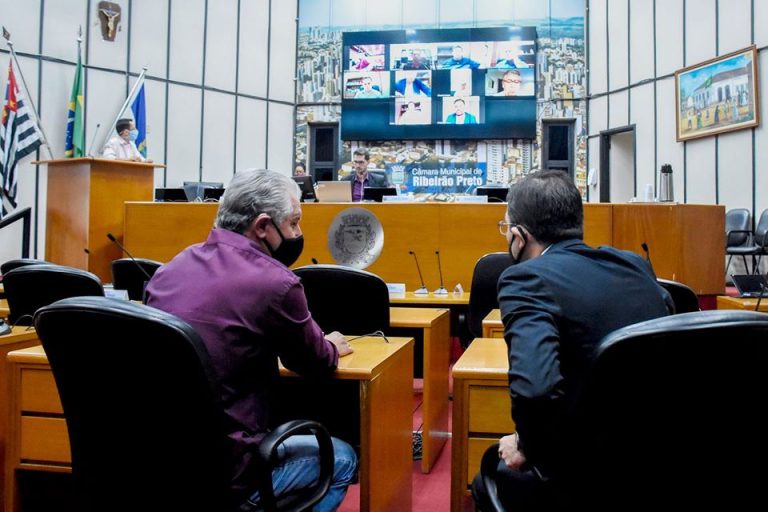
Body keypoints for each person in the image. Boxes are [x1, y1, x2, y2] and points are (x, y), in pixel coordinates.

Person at [145, 169, 358, 511]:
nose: (298, 234)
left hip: (159, 461)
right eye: (294, 223)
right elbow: (315, 362)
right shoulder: (277, 282)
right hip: (231, 471)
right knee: (343, 457)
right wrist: (331, 345)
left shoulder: (168, 270)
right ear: (262, 227)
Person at [471, 171, 673, 511]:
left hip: (584, 474)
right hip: (659, 455)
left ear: (519, 236)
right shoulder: (635, 265)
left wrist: (525, 444)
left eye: (506, 227)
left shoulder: (524, 278)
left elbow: (535, 390)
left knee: (486, 478)